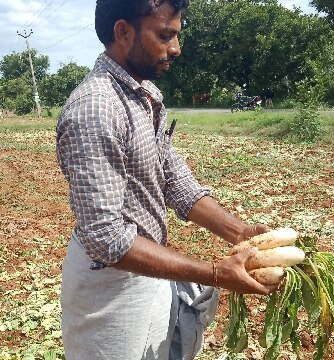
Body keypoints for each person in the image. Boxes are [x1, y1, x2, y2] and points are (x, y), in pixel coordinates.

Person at [56, 1, 274, 359]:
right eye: (165, 35)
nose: (176, 48)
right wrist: (215, 273)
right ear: (123, 32)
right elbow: (105, 238)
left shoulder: (147, 96)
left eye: (176, 35)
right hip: (110, 286)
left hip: (149, 267)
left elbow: (174, 179)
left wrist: (239, 232)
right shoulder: (96, 109)